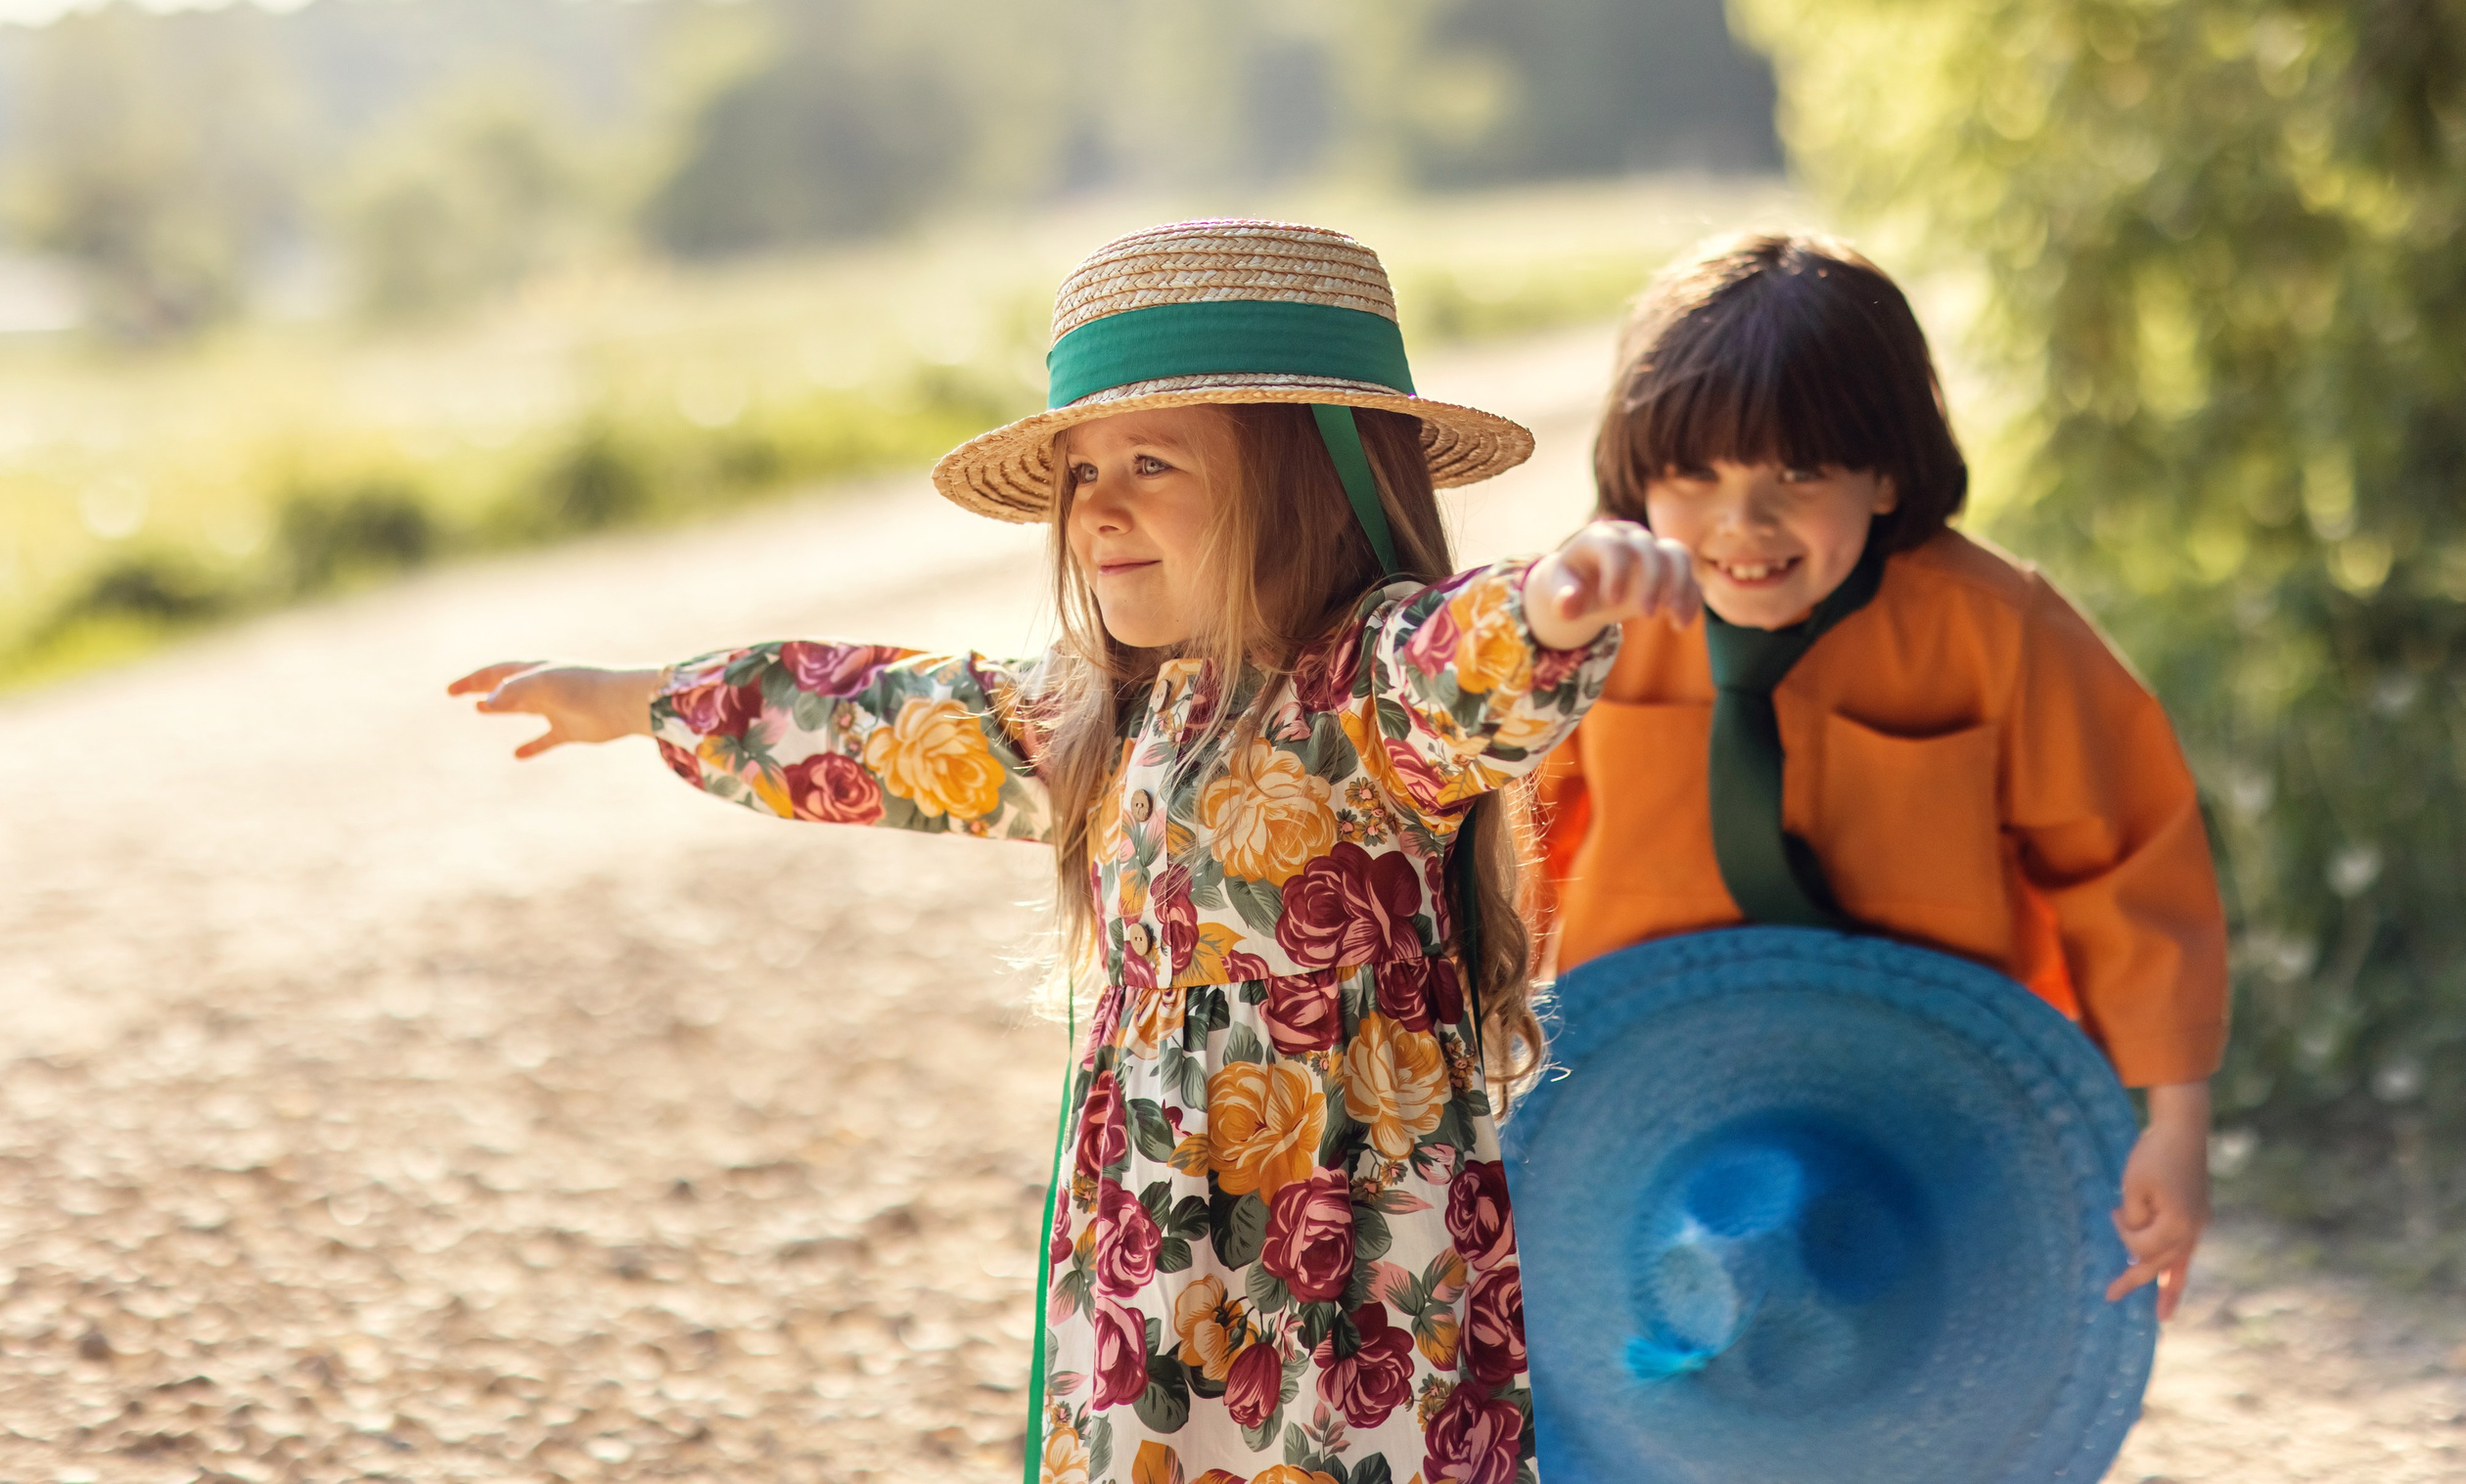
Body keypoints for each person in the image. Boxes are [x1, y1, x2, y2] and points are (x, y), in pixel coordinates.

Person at [450, 220, 1698, 1484]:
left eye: (1150, 460)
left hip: (1363, 1270)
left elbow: (1462, 657)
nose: (1097, 509)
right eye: (1080, 471)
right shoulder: (1097, 715)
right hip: (1159, 1268)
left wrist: (1554, 602)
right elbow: (875, 716)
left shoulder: (1362, 694)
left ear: (1317, 482)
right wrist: (638, 698)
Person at [1532, 231, 2227, 1322]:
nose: (1741, 524)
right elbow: (1480, 840)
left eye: (1797, 474)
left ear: (1886, 470)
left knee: (1907, 1364)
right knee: (1683, 1375)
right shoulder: (1587, 620)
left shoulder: (1999, 634)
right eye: (1693, 476)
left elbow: (2127, 863)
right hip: (1655, 1108)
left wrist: (2175, 1125)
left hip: (1931, 1108)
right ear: (1637, 476)